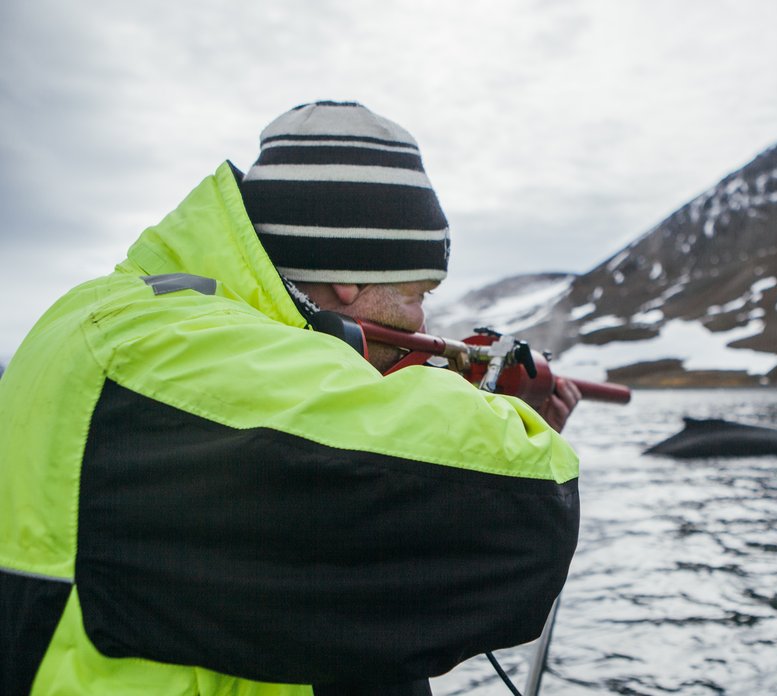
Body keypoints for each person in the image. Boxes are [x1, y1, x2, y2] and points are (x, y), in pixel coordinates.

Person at [0, 101, 582, 696]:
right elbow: (525, 520)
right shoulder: (167, 347)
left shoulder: (115, 315)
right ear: (350, 275)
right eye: (417, 294)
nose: (422, 321)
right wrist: (517, 417)